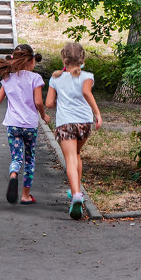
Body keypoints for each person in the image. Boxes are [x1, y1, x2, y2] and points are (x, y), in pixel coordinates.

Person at [45, 42, 102, 220]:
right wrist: (97, 114)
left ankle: (76, 194)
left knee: (70, 158)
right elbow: (86, 92)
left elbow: (48, 104)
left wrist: (59, 102)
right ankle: (75, 190)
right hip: (84, 123)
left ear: (64, 58)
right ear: (82, 59)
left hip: (66, 123)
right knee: (76, 153)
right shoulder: (87, 76)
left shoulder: (55, 78)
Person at [0, 44, 50, 204]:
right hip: (30, 125)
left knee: (17, 158)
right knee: (30, 159)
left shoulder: (7, 78)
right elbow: (38, 102)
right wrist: (44, 115)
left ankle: (13, 174)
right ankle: (25, 195)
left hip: (13, 125)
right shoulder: (35, 78)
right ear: (31, 61)